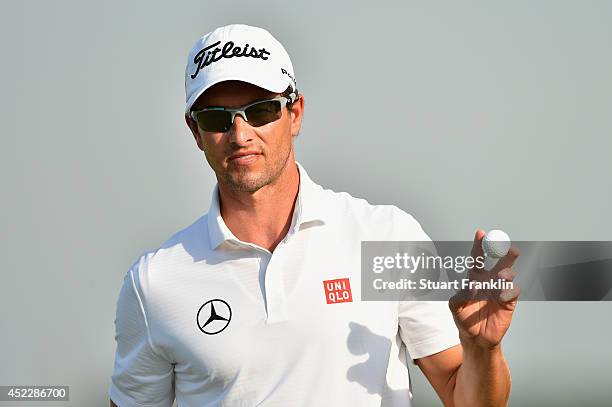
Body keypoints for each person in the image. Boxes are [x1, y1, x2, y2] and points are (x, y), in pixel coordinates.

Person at [109, 24, 520, 407]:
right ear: (195, 132)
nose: (240, 134)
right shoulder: (155, 282)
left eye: (261, 110)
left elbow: (466, 398)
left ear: (296, 114)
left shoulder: (385, 235)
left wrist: (483, 350)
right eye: (216, 118)